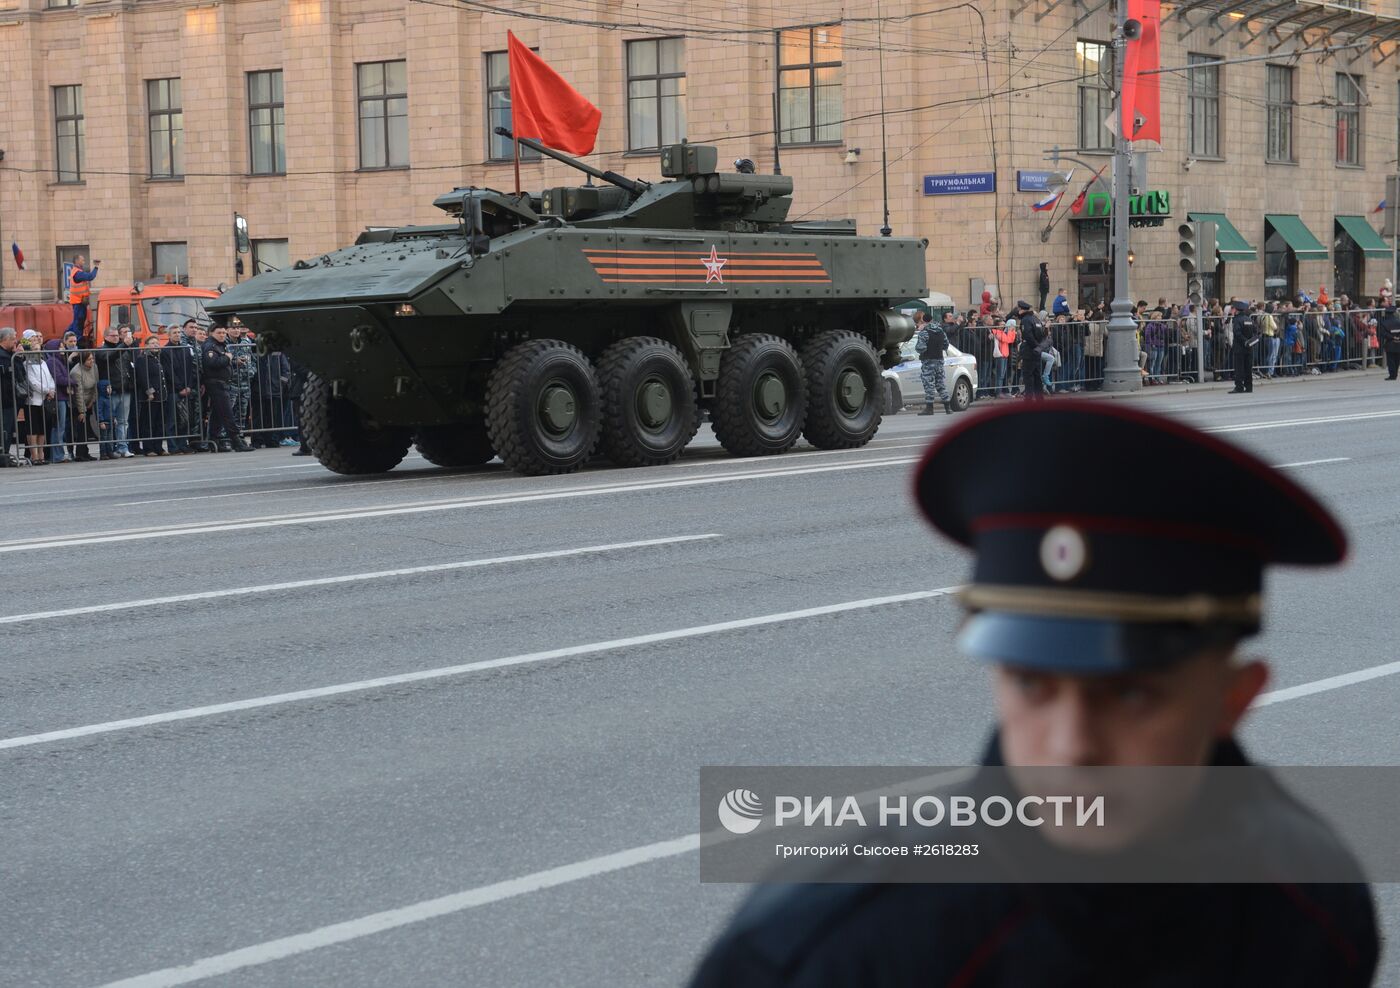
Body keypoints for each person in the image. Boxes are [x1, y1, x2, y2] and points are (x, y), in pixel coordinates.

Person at [689, 401, 1379, 988]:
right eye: (1031, 683)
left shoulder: (1311, 907)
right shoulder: (832, 948)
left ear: (1234, 698)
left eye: (1133, 695)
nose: (1071, 745)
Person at [202, 325, 250, 452]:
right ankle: (237, 442)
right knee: (227, 414)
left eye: (224, 332)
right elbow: (212, 363)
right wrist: (227, 357)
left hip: (222, 383)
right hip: (216, 384)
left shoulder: (219, 345)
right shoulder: (210, 346)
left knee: (218, 414)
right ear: (211, 333)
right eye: (219, 332)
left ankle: (215, 441)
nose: (222, 335)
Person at [18, 330, 56, 464]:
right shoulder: (26, 362)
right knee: (33, 429)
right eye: (32, 339)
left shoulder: (43, 362)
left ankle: (41, 453)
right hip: (33, 399)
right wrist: (46, 390)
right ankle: (34, 455)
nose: (36, 342)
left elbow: (50, 377)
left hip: (44, 399)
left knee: (42, 429)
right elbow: (32, 381)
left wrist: (52, 389)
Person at [163, 320, 198, 453]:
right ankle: (173, 446)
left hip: (187, 389)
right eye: (174, 333)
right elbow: (169, 372)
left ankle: (183, 444)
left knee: (185, 419)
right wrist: (180, 388)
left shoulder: (185, 348)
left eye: (178, 332)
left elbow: (190, 370)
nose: (177, 335)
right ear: (169, 335)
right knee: (173, 420)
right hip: (174, 390)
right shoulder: (165, 351)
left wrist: (189, 386)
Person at [41, 335, 74, 462]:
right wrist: (73, 381)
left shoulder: (60, 360)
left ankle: (58, 454)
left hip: (62, 397)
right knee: (58, 428)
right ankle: (57, 456)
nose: (63, 348)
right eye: (60, 346)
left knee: (61, 428)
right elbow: (59, 379)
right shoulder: (52, 362)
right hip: (58, 398)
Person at [913, 311, 952, 416]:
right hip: (939, 360)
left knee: (929, 385)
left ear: (923, 321)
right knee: (940, 384)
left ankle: (929, 408)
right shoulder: (940, 331)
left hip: (928, 361)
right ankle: (948, 407)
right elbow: (946, 344)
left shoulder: (924, 332)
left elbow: (920, 348)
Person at [134, 335, 169, 455]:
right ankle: (148, 448)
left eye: (157, 343)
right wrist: (150, 391)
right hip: (151, 396)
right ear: (146, 345)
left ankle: (158, 447)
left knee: (159, 423)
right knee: (148, 423)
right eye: (152, 343)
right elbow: (143, 377)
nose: (155, 345)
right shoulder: (142, 359)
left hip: (161, 395)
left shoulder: (157, 358)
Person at [68, 349, 100, 461]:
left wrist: (92, 401)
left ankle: (85, 452)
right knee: (81, 428)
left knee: (87, 428)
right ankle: (80, 453)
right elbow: (79, 393)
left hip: (89, 399)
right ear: (83, 361)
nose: (92, 361)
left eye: (92, 358)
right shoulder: (76, 372)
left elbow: (96, 385)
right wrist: (82, 411)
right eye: (89, 359)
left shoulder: (94, 367)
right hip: (78, 402)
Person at [1014, 301, 1048, 400]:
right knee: (1037, 377)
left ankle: (1028, 400)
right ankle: (1039, 399)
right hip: (1036, 351)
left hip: (1029, 351)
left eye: (1018, 309)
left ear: (1022, 310)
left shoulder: (1026, 320)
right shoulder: (1035, 319)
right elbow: (1041, 335)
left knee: (1028, 377)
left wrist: (1034, 347)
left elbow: (1028, 336)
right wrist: (1038, 347)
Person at [65, 255, 100, 339]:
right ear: (77, 261)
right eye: (82, 260)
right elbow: (90, 277)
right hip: (78, 302)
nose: (84, 262)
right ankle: (76, 340)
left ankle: (67, 337)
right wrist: (96, 266)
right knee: (78, 323)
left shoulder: (77, 272)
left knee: (77, 322)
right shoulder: (78, 273)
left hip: (79, 302)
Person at [0, 327, 20, 465]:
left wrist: (17, 357)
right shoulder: (3, 356)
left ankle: (5, 455)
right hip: (4, 399)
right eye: (13, 338)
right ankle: (3, 456)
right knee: (5, 429)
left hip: (10, 398)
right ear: (5, 339)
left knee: (9, 428)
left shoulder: (10, 354)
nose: (15, 341)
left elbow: (19, 373)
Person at [1229, 301, 1257, 393]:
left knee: (1239, 368)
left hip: (1240, 347)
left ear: (1236, 310)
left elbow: (1237, 333)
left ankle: (1239, 387)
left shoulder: (1237, 320)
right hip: (1249, 347)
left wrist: (1245, 341)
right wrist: (1250, 342)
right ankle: (1249, 387)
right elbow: (1256, 332)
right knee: (1248, 368)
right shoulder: (1249, 319)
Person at [1379, 304, 1400, 380]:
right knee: (1397, 360)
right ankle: (1395, 374)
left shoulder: (1384, 323)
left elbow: (1383, 333)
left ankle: (1392, 375)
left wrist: (1392, 337)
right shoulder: (1398, 321)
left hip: (1390, 343)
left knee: (1391, 360)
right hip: (1398, 343)